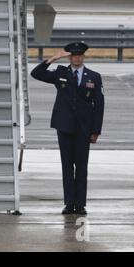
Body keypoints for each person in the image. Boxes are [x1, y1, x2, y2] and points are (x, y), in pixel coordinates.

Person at [30, 42, 105, 215]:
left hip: (84, 128)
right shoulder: (60, 73)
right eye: (73, 55)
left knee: (81, 166)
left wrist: (95, 131)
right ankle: (69, 203)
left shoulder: (93, 76)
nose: (77, 58)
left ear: (83, 56)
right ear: (69, 57)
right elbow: (36, 74)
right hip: (64, 125)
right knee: (66, 166)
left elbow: (99, 105)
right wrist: (53, 58)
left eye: (79, 55)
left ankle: (80, 204)